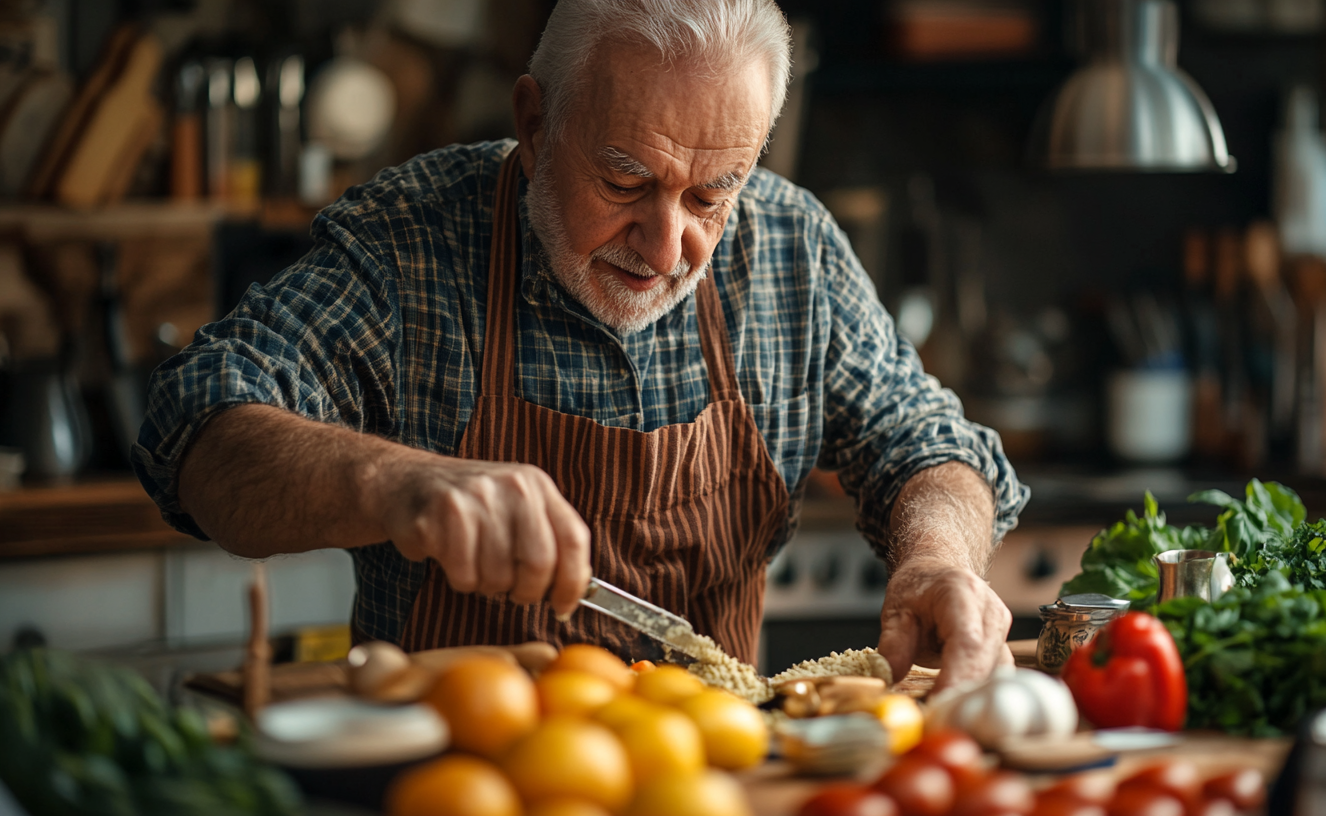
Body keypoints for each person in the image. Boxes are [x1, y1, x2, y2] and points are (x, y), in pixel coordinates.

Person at [132, 0, 1029, 691]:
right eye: (625, 182)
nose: (666, 246)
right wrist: (396, 483)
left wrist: (938, 558)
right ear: (535, 124)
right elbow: (195, 421)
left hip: (706, 783)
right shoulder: (410, 245)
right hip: (463, 785)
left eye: (711, 195)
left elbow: (926, 442)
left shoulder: (793, 250)